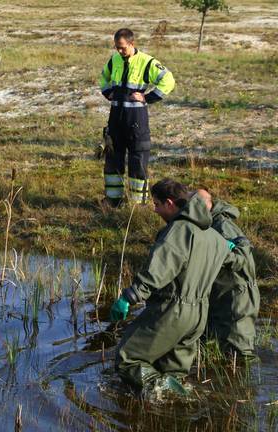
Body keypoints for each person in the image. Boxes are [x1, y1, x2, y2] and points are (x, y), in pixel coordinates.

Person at [109, 179, 250, 393]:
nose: (155, 210)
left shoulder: (179, 230)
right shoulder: (214, 235)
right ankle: (176, 400)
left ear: (169, 203)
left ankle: (161, 389)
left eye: (156, 204)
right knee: (173, 370)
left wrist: (128, 298)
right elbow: (238, 261)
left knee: (127, 360)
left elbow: (157, 271)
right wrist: (238, 244)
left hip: (172, 311)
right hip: (199, 317)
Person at [99, 29, 176, 207]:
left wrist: (148, 98)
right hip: (115, 120)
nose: (119, 51)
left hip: (136, 121)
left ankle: (137, 205)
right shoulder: (114, 59)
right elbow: (104, 77)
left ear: (132, 44)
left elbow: (168, 80)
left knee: (138, 162)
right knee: (112, 161)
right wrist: (107, 92)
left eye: (122, 48)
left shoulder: (147, 62)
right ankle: (113, 200)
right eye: (117, 47)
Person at [197, 189, 259, 359]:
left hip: (237, 297)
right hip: (222, 295)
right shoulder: (208, 225)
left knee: (239, 355)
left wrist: (221, 250)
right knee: (218, 347)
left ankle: (242, 384)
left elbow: (242, 258)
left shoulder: (223, 226)